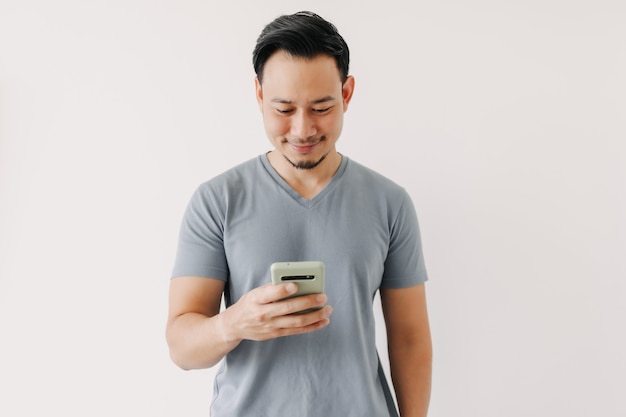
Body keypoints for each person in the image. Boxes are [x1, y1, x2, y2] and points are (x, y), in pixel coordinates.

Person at [166, 11, 432, 417]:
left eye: (321, 107)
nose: (303, 129)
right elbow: (181, 347)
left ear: (347, 94)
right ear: (258, 95)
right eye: (284, 109)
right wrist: (233, 323)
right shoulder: (217, 201)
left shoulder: (389, 202)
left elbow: (410, 339)